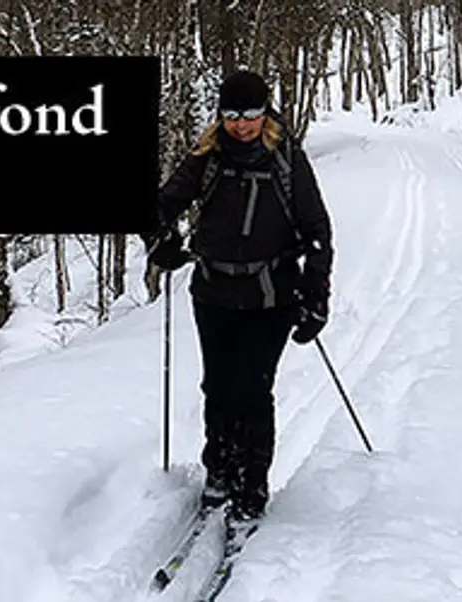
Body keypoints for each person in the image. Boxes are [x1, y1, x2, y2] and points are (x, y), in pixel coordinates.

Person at [140, 70, 333, 533]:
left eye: (249, 115)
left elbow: (318, 232)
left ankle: (251, 488)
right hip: (213, 291)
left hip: (271, 294)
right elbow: (161, 205)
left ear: (264, 113)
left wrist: (316, 296)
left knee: (251, 389)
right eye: (231, 115)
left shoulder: (285, 159)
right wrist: (160, 242)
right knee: (218, 387)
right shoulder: (207, 157)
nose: (241, 125)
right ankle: (219, 471)